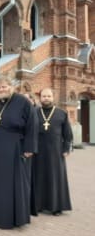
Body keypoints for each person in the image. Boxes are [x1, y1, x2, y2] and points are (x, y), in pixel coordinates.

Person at [0, 76, 38, 229]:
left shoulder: (23, 102)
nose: (1, 89)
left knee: (11, 183)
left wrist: (29, 148)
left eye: (4, 86)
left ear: (11, 87)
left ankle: (10, 217)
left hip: (14, 147)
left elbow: (32, 125)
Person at [32, 88, 73, 216]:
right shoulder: (34, 112)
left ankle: (56, 207)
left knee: (55, 178)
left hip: (56, 151)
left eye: (49, 96)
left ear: (53, 97)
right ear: (40, 98)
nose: (46, 98)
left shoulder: (62, 113)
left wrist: (66, 148)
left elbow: (68, 134)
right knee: (38, 177)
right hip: (37, 151)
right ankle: (38, 205)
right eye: (44, 96)